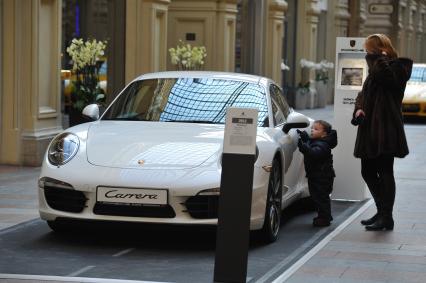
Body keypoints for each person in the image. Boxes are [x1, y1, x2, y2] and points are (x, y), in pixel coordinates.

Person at [351, 34, 413, 231]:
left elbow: (391, 83)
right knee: (367, 170)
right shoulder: (376, 68)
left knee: (385, 171)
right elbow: (364, 93)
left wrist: (379, 59)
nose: (366, 53)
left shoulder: (398, 67)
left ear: (379, 50)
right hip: (369, 128)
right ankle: (382, 211)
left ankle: (387, 216)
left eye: (369, 49)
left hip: (386, 128)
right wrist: (359, 108)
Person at [297, 120, 338, 227]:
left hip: (322, 177)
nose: (312, 130)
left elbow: (314, 153)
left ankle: (324, 218)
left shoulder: (323, 145)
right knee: (317, 197)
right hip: (316, 176)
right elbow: (311, 146)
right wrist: (305, 139)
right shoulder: (317, 141)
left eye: (316, 129)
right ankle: (323, 216)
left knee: (321, 197)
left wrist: (304, 146)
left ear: (324, 134)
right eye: (312, 128)